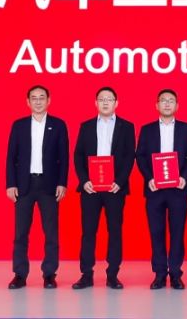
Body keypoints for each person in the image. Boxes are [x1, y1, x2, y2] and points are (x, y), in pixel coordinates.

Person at [71, 86, 136, 289]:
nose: (105, 102)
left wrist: (120, 181)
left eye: (109, 99)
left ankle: (112, 274)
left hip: (114, 188)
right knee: (88, 232)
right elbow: (78, 155)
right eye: (101, 99)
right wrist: (84, 181)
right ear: (96, 103)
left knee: (114, 231)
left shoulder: (127, 126)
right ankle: (86, 274)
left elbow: (129, 156)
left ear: (116, 103)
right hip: (91, 188)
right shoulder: (86, 126)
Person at [5, 85, 69, 289]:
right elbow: (11, 157)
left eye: (42, 97)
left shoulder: (58, 125)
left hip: (48, 185)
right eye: (34, 98)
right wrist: (11, 184)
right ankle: (20, 274)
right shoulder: (19, 125)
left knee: (51, 232)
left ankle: (49, 274)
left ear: (49, 100)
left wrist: (62, 183)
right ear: (28, 102)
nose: (38, 101)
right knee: (21, 233)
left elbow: (64, 157)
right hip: (24, 185)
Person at [136, 89, 187, 290]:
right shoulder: (147, 129)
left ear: (177, 106)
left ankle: (176, 274)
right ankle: (160, 274)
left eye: (171, 101)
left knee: (177, 232)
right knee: (156, 232)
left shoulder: (186, 129)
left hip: (178, 188)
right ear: (157, 105)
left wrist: (184, 176)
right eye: (163, 100)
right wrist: (149, 178)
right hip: (155, 188)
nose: (167, 104)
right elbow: (140, 156)